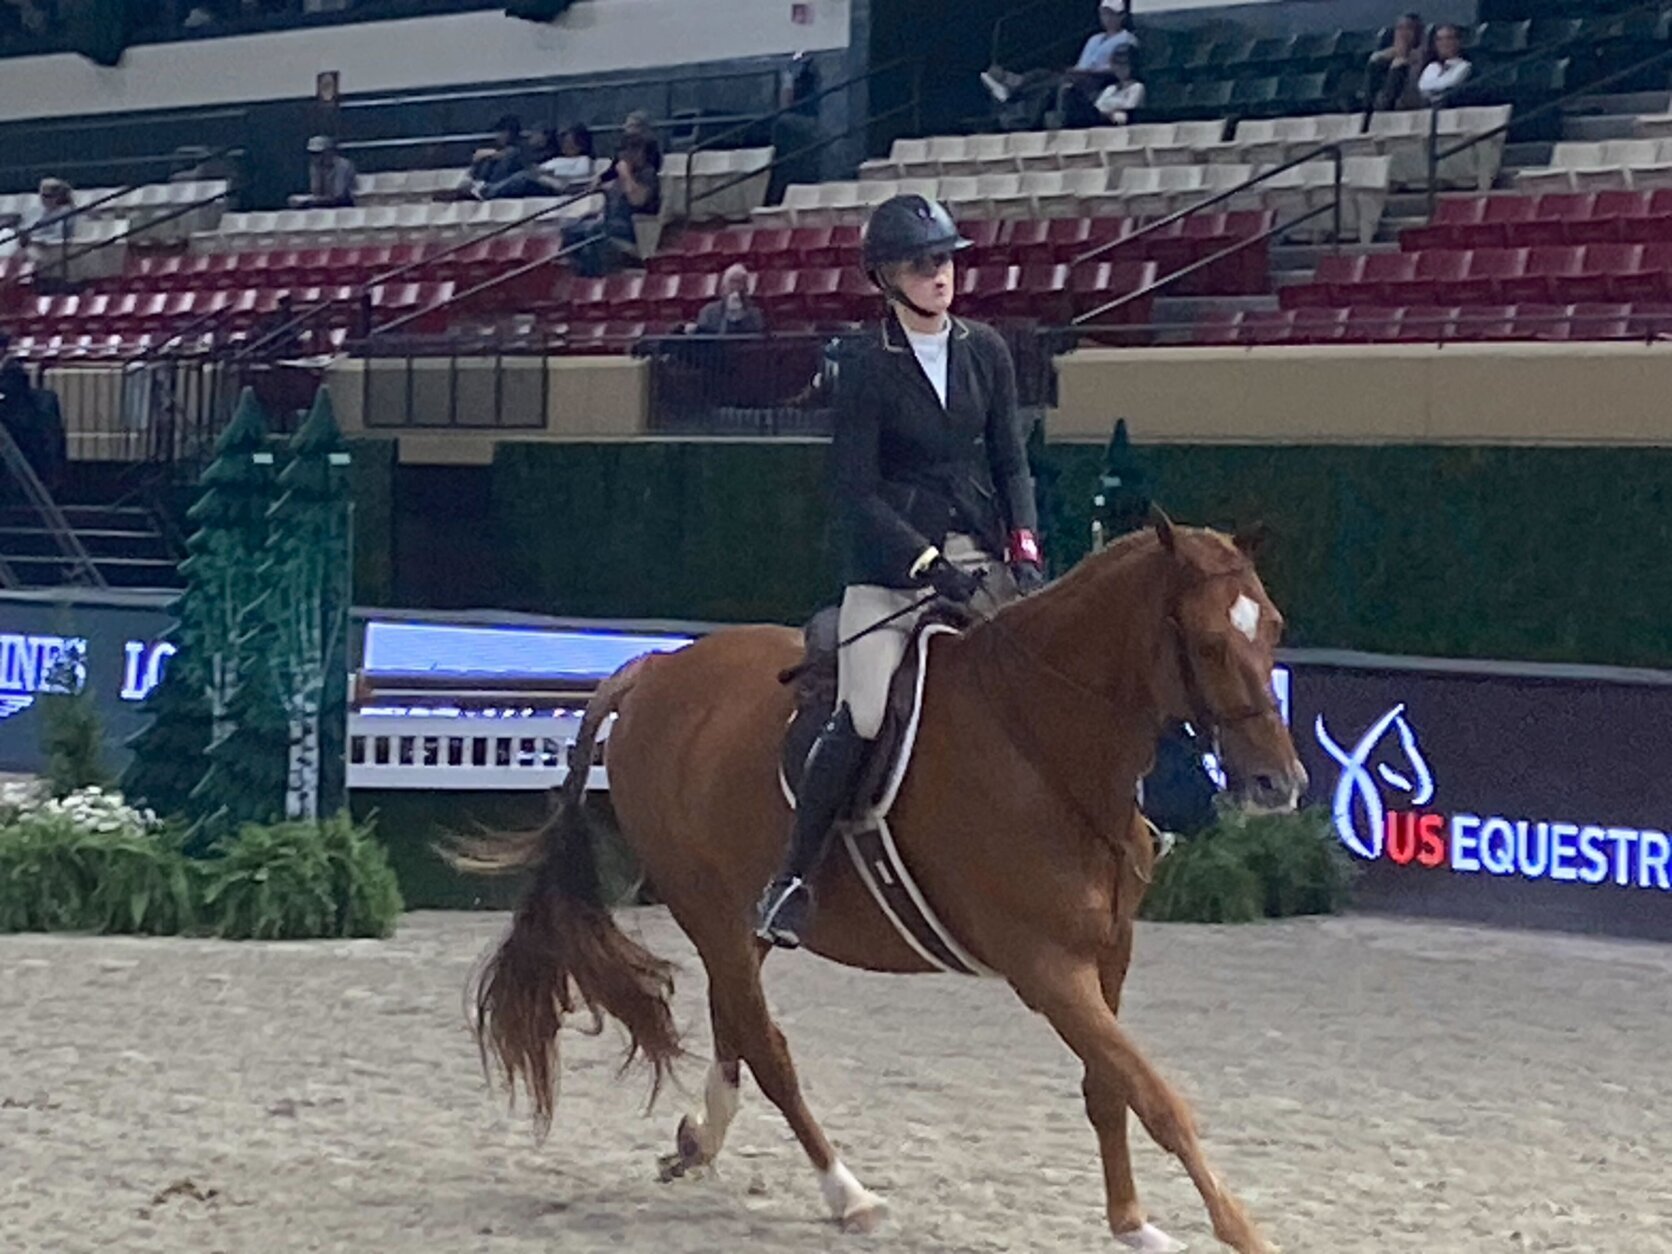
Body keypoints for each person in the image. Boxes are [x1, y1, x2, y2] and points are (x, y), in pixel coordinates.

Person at [754, 194, 1048, 950]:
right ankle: (792, 878)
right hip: (890, 569)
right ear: (886, 277)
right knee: (865, 712)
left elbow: (1011, 461)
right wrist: (926, 563)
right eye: (921, 264)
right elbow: (854, 491)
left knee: (1050, 670)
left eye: (944, 259)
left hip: (979, 550)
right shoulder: (863, 363)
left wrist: (1024, 547)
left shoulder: (986, 349)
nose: (939, 274)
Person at [561, 133, 659, 277]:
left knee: (593, 233)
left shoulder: (647, 174)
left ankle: (594, 279)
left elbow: (637, 200)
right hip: (609, 226)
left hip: (633, 232)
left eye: (631, 149)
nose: (624, 155)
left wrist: (625, 174)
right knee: (571, 230)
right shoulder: (615, 178)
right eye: (622, 150)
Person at [481, 124, 595, 199]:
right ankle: (486, 183)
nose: (565, 146)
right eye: (565, 142)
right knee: (511, 157)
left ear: (580, 145)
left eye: (570, 143)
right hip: (538, 175)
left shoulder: (583, 160)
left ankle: (488, 191)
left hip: (548, 185)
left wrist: (548, 172)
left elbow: (581, 174)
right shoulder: (560, 158)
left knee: (522, 177)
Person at [1364, 12, 1426, 113]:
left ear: (1418, 33)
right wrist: (1376, 59)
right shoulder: (1382, 59)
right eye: (1399, 28)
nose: (1403, 33)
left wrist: (1400, 63)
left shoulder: (1424, 59)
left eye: (1409, 28)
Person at [692, 263, 766, 335]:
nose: (736, 286)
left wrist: (741, 315)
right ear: (724, 287)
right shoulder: (709, 312)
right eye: (732, 282)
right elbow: (700, 334)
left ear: (746, 288)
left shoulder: (755, 314)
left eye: (740, 282)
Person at [289, 135, 357, 209]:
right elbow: (316, 192)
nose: (315, 157)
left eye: (319, 153)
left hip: (345, 207)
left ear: (330, 152)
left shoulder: (343, 166)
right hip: (322, 206)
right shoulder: (315, 167)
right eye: (312, 153)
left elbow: (339, 196)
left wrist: (311, 200)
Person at [1419, 24, 1473, 104]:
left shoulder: (1464, 66)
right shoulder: (1432, 67)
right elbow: (1422, 86)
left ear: (1458, 41)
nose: (1444, 43)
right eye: (1439, 39)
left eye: (1449, 38)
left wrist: (1432, 86)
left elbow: (1449, 84)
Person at [1093, 47, 1146, 125]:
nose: (1119, 68)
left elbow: (1129, 111)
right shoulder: (1110, 88)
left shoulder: (1137, 87)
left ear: (1133, 65)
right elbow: (1097, 108)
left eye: (1124, 64)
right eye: (1116, 63)